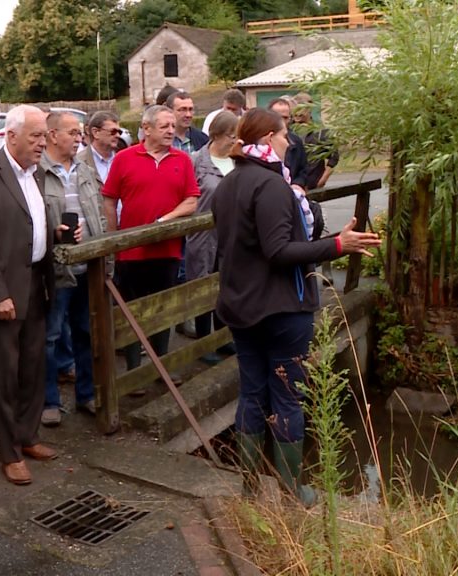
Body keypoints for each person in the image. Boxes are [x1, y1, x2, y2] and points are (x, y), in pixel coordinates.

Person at [212, 108, 380, 507]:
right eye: (286, 135)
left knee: (252, 393)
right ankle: (291, 489)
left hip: (240, 304)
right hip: (280, 308)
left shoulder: (229, 185)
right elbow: (278, 251)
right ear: (270, 138)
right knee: (287, 397)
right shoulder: (270, 187)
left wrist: (326, 239)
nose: (291, 142)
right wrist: (339, 245)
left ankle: (250, 487)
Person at [0, 105, 60, 486]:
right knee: (4, 376)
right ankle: (9, 452)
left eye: (44, 135)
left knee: (33, 368)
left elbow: (29, 225)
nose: (42, 143)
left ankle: (28, 435)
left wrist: (57, 236)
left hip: (36, 284)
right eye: (36, 136)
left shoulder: (33, 174)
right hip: (3, 293)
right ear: (11, 136)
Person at [102, 105, 200, 388]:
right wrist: (113, 236)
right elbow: (109, 199)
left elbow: (191, 200)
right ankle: (135, 373)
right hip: (130, 251)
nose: (171, 131)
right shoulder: (124, 158)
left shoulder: (182, 159)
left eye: (172, 126)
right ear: (146, 129)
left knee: (162, 310)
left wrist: (163, 221)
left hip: (167, 250)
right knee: (132, 312)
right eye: (165, 126)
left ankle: (162, 368)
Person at [40, 111, 102, 426]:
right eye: (72, 132)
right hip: (55, 269)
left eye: (80, 133)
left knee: (86, 332)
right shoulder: (38, 172)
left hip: (87, 265)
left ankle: (87, 394)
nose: (79, 138)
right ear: (52, 135)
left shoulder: (85, 168)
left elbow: (98, 212)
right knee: (50, 336)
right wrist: (56, 231)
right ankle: (49, 402)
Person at [185, 111, 239, 365]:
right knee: (203, 285)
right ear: (216, 134)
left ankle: (222, 337)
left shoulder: (239, 160)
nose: (234, 140)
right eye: (231, 135)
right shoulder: (196, 161)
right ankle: (204, 341)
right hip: (203, 235)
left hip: (232, 235)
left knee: (227, 284)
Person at [291, 93, 339, 190]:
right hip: (291, 187)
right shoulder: (286, 130)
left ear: (309, 109)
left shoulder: (320, 132)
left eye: (300, 109)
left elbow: (334, 157)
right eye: (295, 109)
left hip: (312, 187)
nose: (297, 113)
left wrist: (323, 180)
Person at [267, 97, 311, 192]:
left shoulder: (296, 142)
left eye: (285, 117)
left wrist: (298, 184)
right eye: (278, 117)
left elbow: (304, 170)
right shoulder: (260, 143)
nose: (281, 121)